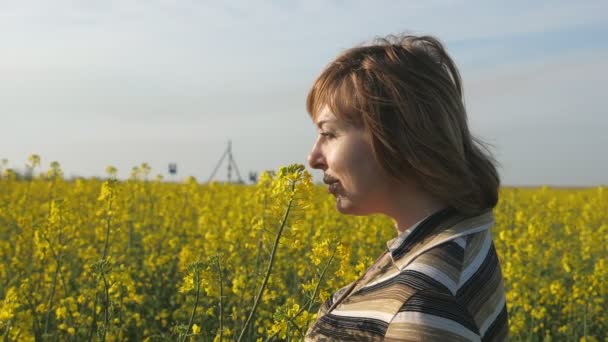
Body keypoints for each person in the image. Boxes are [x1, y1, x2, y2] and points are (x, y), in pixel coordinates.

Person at [304, 34, 508, 341]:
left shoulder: (426, 304)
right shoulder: (447, 244)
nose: (313, 158)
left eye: (329, 134)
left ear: (394, 137)